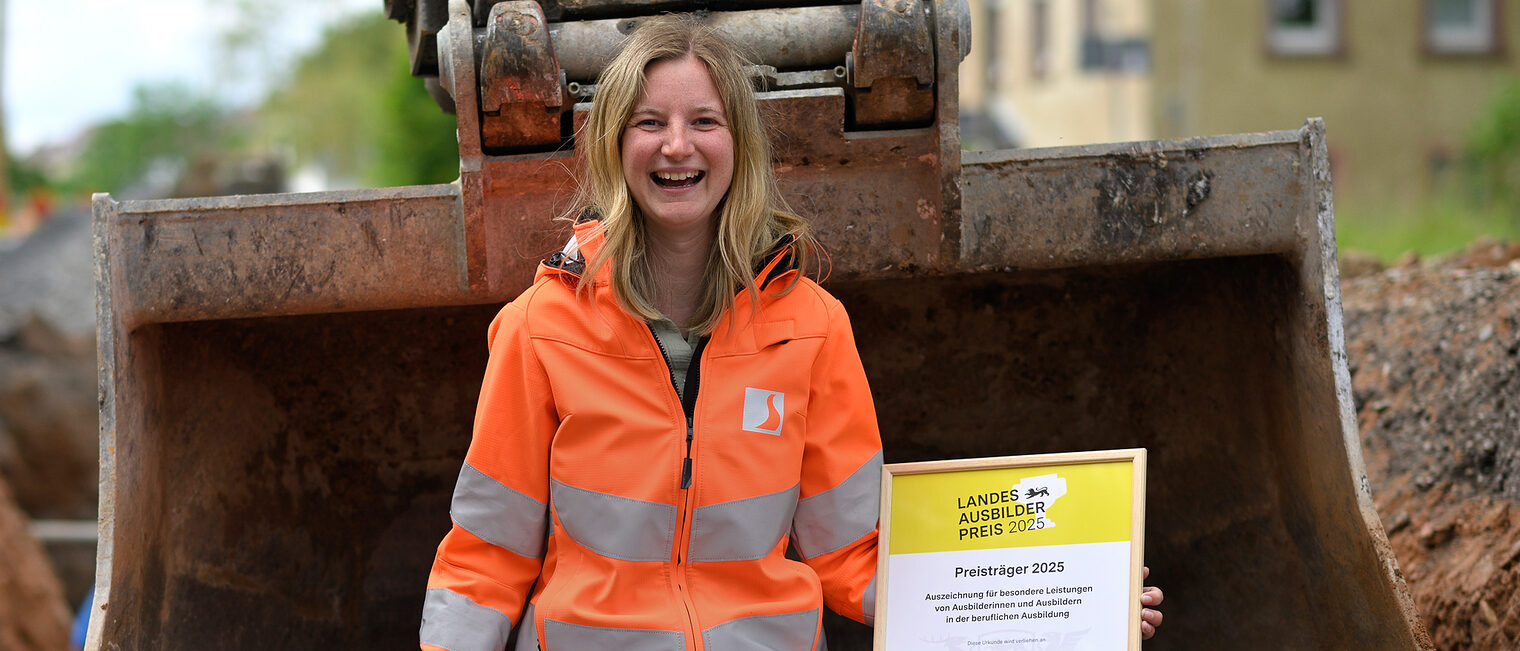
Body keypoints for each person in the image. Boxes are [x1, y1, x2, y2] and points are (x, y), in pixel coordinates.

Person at [420, 16, 1161, 651]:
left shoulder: (812, 329)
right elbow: (486, 558)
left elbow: (855, 559)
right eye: (650, 122)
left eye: (703, 121)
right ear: (616, 144)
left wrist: (1079, 606)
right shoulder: (538, 329)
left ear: (739, 144)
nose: (677, 145)